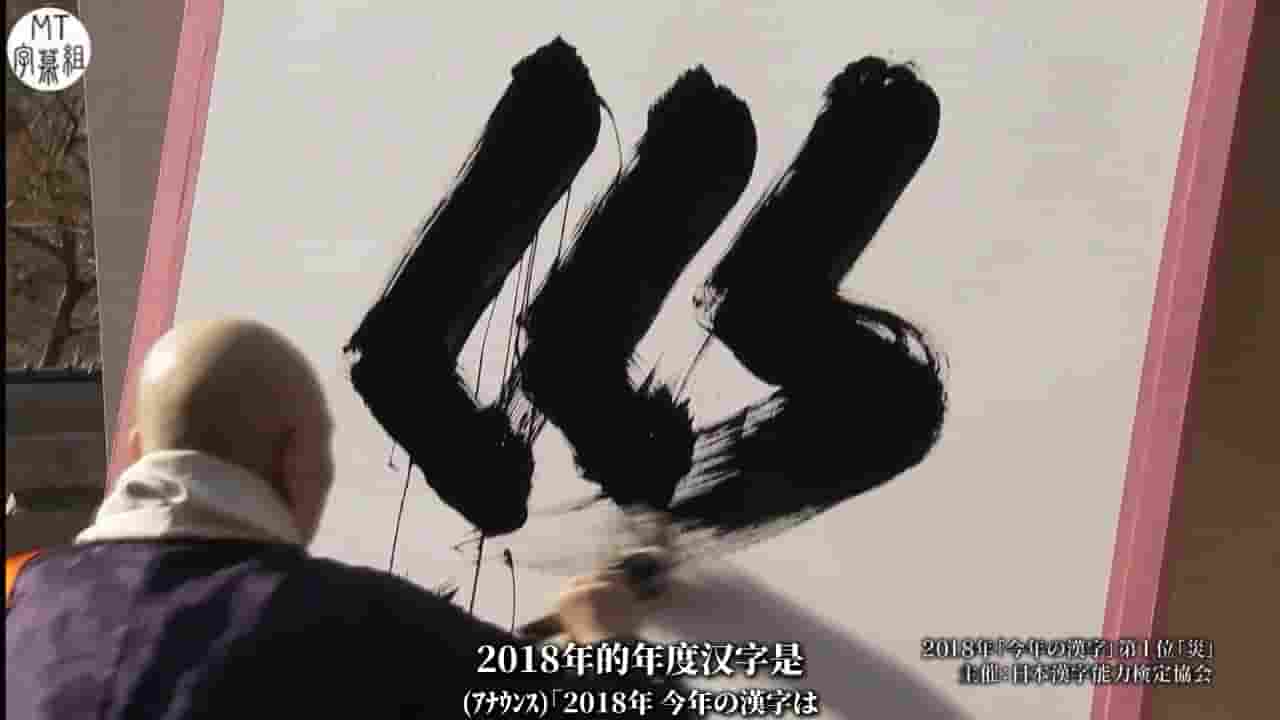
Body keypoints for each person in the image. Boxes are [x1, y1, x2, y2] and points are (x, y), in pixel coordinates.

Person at [5, 318, 691, 719]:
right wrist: (610, 641)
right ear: (296, 462)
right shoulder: (353, 625)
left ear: (135, 453)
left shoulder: (24, 604)